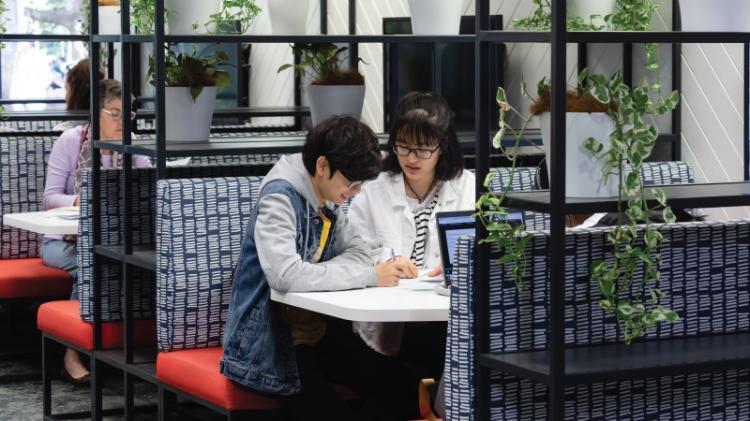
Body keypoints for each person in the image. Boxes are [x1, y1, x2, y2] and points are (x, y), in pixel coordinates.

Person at [220, 116, 421, 421]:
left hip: (319, 335)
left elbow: (359, 251)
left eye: (360, 185)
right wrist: (368, 276)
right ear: (323, 165)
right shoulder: (280, 198)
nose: (355, 192)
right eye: (351, 183)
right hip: (270, 348)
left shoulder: (329, 194)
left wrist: (349, 270)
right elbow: (285, 275)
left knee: (410, 386)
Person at [347, 92, 475, 368]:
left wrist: (459, 264)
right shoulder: (372, 189)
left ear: (442, 146)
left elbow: (485, 246)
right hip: (388, 318)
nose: (411, 158)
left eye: (422, 149)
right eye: (403, 147)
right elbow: (352, 248)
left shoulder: (468, 188)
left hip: (447, 319)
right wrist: (384, 260)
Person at [41, 79, 150, 384]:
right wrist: (85, 198)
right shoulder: (71, 141)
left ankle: (120, 349)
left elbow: (147, 186)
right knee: (90, 265)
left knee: (120, 262)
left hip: (113, 239)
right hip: (61, 241)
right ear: (95, 112)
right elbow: (50, 199)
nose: (122, 121)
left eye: (127, 114)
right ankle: (72, 354)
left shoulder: (131, 145)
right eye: (114, 113)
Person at [54, 58, 105, 132]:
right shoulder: (109, 129)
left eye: (67, 90)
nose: (65, 97)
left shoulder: (63, 131)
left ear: (74, 93)